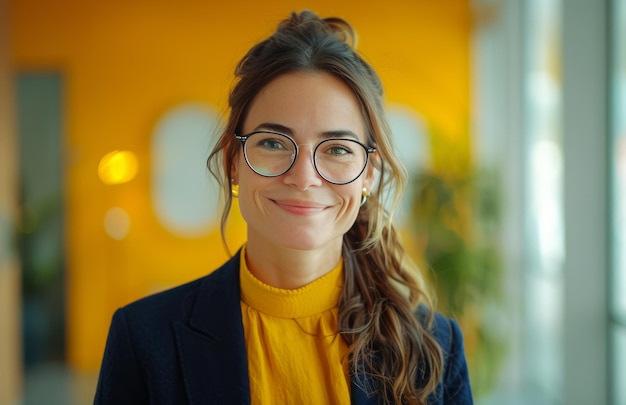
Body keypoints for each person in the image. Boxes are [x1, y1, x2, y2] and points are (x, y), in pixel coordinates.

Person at [94, 10, 473, 405]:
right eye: (274, 143)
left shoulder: (436, 347)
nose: (304, 176)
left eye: (338, 149)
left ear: (368, 175)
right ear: (233, 162)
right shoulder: (143, 338)